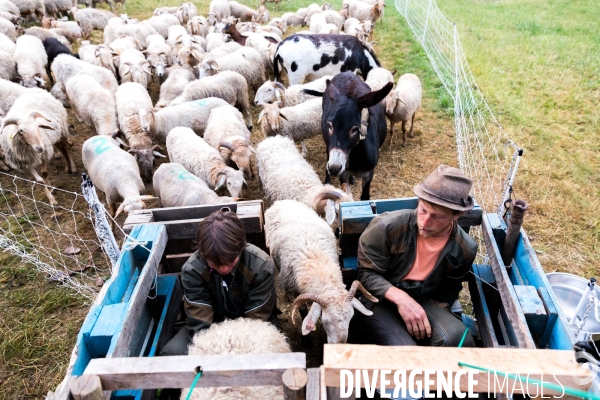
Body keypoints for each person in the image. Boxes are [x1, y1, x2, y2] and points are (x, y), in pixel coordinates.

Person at [350, 164, 478, 347]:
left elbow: (450, 287)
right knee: (404, 350)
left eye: (438, 216)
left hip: (424, 300)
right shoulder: (386, 227)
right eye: (423, 210)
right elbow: (365, 275)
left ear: (457, 215)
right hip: (380, 299)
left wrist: (430, 314)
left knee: (459, 339)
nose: (425, 222)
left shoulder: (465, 248)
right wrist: (402, 300)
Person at [161, 208, 278, 356]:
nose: (224, 268)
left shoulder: (260, 266)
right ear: (203, 253)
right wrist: (215, 349)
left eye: (231, 261)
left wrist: (235, 348)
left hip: (251, 326)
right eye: (215, 263)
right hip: (211, 326)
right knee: (172, 352)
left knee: (265, 353)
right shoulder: (193, 270)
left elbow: (257, 320)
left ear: (241, 247)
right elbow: (200, 322)